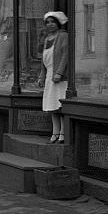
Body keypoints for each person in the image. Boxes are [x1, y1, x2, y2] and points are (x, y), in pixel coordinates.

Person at [36, 12, 69, 144]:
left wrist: (59, 73)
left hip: (60, 78)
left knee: (60, 105)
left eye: (53, 22)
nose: (50, 24)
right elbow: (43, 60)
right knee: (52, 106)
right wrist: (42, 76)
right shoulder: (47, 39)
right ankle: (55, 132)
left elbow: (65, 55)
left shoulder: (63, 36)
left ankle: (63, 132)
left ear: (58, 23)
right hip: (50, 75)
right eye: (48, 22)